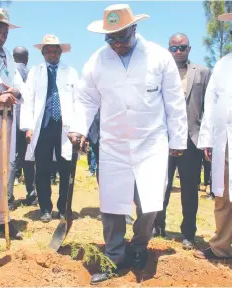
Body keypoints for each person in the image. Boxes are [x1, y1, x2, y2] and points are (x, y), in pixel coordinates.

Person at [69, 4, 187, 284]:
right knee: (111, 206)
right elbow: (87, 99)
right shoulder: (97, 61)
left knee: (150, 202)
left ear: (135, 28)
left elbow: (174, 101)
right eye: (111, 38)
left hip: (151, 142)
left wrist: (178, 139)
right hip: (114, 144)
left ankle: (139, 246)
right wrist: (77, 130)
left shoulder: (159, 57)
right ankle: (113, 257)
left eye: (122, 36)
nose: (118, 44)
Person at [153, 33, 211, 250]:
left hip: (191, 140)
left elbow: (208, 107)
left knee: (189, 190)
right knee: (161, 186)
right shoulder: (160, 72)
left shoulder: (203, 73)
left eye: (182, 47)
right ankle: (158, 227)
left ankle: (188, 233)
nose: (178, 51)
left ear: (189, 48)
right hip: (163, 139)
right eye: (173, 48)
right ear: (168, 49)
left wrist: (206, 138)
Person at [20, 34, 79, 223]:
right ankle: (45, 208)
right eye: (48, 51)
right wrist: (28, 127)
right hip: (42, 127)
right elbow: (28, 100)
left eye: (55, 50)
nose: (51, 53)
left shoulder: (70, 72)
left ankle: (63, 208)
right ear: (43, 53)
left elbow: (77, 101)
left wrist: (77, 128)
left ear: (60, 52)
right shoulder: (35, 72)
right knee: (43, 169)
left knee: (65, 169)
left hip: (65, 128)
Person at [194, 12, 232, 260]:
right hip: (225, 142)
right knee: (224, 197)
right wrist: (207, 138)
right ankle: (221, 246)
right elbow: (210, 103)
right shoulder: (223, 64)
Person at [0, 4, 23, 239]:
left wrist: (14, 90)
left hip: (5, 118)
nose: (2, 37)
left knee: (1, 170)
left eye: (5, 33)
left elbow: (17, 86)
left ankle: (0, 219)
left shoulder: (7, 57)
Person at [8, 46, 37, 210]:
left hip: (13, 119)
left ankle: (8, 199)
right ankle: (31, 195)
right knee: (28, 159)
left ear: (13, 57)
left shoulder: (9, 71)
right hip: (28, 123)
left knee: (12, 159)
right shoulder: (31, 73)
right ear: (26, 58)